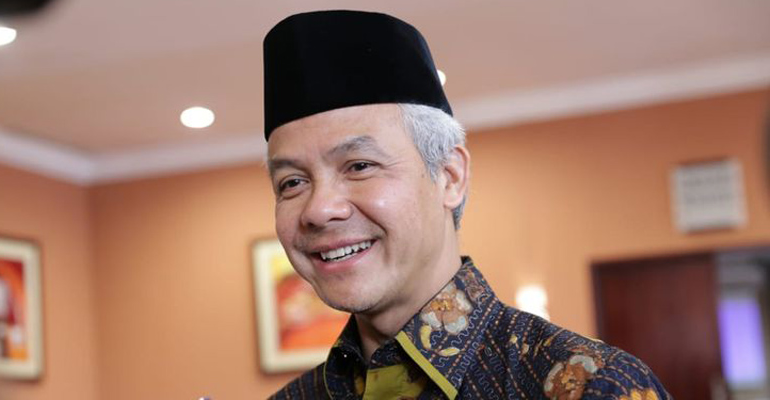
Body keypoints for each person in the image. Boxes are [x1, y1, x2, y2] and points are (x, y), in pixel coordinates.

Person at [263, 10, 670, 399]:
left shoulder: (590, 385)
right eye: (292, 182)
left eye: (359, 166)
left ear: (450, 176)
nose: (319, 210)